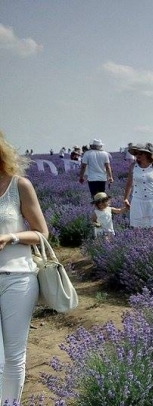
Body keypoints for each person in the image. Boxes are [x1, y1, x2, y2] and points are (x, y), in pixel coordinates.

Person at [0, 132, 49, 404]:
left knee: (14, 355)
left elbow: (42, 234)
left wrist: (12, 237)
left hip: (17, 277)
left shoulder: (19, 185)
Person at [123, 143, 153, 229]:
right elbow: (129, 184)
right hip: (137, 200)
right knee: (137, 227)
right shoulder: (133, 166)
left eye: (140, 153)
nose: (138, 155)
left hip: (152, 200)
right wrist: (125, 198)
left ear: (147, 154)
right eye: (136, 153)